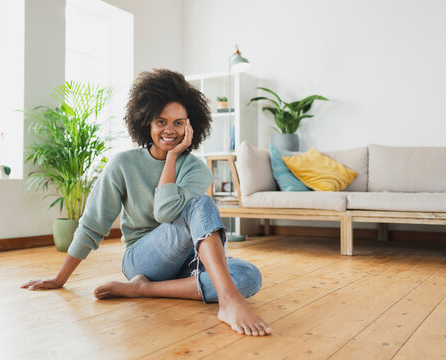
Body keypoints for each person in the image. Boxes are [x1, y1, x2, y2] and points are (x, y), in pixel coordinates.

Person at [21, 69, 272, 336]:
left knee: (248, 276)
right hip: (142, 260)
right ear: (146, 123)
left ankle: (144, 289)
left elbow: (167, 212)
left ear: (191, 125)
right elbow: (95, 223)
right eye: (161, 121)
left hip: (186, 262)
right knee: (201, 205)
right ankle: (228, 301)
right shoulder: (123, 164)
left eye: (179, 123)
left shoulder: (196, 169)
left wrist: (174, 157)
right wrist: (60, 278)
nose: (170, 130)